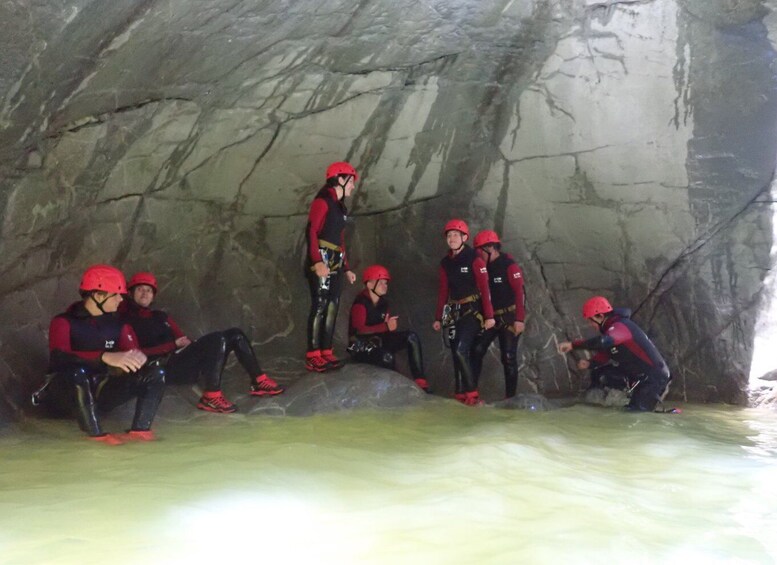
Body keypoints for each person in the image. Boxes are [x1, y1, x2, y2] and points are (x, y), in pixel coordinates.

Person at [119, 271, 283, 414]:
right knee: (216, 339)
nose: (144, 294)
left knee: (235, 334)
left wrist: (192, 347)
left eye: (148, 291)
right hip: (160, 369)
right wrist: (173, 346)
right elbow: (135, 354)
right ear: (131, 293)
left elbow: (182, 340)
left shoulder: (160, 317)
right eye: (140, 289)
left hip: (180, 361)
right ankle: (211, 396)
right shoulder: (128, 321)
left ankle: (259, 380)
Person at [46, 265, 165, 445]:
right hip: (67, 396)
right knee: (77, 373)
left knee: (155, 372)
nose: (120, 299)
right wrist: (103, 356)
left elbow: (133, 352)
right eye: (116, 295)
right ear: (98, 295)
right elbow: (59, 358)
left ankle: (140, 430)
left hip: (100, 394)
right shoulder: (63, 322)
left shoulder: (118, 324)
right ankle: (95, 435)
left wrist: (138, 358)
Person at [557, 296, 671, 411]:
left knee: (635, 412)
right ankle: (602, 405)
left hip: (654, 378)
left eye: (591, 321)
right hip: (637, 374)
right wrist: (590, 363)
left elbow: (603, 342)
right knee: (600, 373)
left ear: (600, 317)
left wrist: (573, 345)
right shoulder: (612, 328)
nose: (591, 325)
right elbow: (608, 352)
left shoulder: (621, 326)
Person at [432, 219, 496, 406]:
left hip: (472, 310)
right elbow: (444, 291)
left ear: (464, 237)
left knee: (461, 349)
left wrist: (489, 316)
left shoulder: (474, 259)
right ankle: (460, 393)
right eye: (449, 235)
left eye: (455, 235)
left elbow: (485, 289)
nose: (451, 239)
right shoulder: (445, 262)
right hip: (454, 311)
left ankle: (472, 394)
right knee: (454, 351)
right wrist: (438, 317)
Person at [304, 161, 358, 372]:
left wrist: (346, 267)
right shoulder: (323, 201)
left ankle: (326, 350)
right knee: (319, 303)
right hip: (322, 257)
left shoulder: (339, 206)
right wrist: (317, 262)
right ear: (340, 180)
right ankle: (313, 353)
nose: (353, 186)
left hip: (335, 257)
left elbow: (340, 238)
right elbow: (312, 231)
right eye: (351, 181)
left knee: (333, 304)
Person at [347, 265, 430, 391]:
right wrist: (385, 326)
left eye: (385, 283)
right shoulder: (361, 303)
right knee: (387, 357)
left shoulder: (383, 303)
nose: (384, 286)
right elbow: (359, 330)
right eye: (380, 283)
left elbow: (384, 329)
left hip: (378, 341)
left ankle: (420, 380)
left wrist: (387, 327)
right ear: (369, 285)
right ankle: (391, 389)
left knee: (411, 337)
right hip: (361, 346)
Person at [470, 230, 526, 399]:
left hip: (509, 316)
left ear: (490, 248)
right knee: (477, 349)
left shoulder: (509, 265)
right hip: (491, 317)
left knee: (508, 357)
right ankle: (471, 392)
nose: (478, 254)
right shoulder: (482, 267)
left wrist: (519, 320)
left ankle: (510, 398)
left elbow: (519, 293)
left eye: (480, 250)